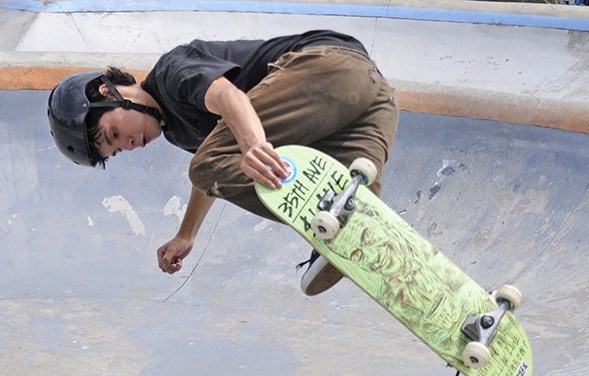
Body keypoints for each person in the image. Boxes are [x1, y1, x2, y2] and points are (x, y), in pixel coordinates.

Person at [47, 30, 399, 295]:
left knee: (208, 163)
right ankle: (358, 232)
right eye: (118, 150)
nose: (129, 144)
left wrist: (254, 145)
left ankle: (327, 229)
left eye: (113, 135)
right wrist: (187, 234)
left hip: (325, 67)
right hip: (373, 98)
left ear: (110, 93)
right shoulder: (176, 132)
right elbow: (213, 174)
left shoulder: (171, 74)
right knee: (361, 207)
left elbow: (229, 97)